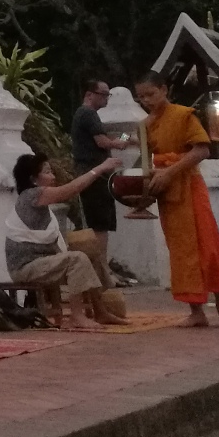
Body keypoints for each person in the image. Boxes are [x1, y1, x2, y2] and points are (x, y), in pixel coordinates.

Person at [132, 73, 219, 327]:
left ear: (164, 89)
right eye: (141, 97)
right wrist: (120, 139)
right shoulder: (145, 124)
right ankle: (196, 311)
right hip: (168, 193)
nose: (147, 100)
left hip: (189, 186)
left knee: (208, 247)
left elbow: (202, 150)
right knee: (182, 252)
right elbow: (137, 146)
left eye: (151, 94)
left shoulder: (183, 115)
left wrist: (169, 171)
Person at [4, 153, 128, 326]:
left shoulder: (38, 199)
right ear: (33, 179)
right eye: (47, 172)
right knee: (76, 259)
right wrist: (99, 169)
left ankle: (101, 311)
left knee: (90, 255)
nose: (53, 176)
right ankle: (77, 316)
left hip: (41, 262)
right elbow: (70, 190)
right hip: (25, 267)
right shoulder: (32, 196)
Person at [68, 79, 132, 287]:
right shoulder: (87, 113)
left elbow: (106, 136)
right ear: (89, 94)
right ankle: (102, 273)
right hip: (95, 175)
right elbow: (102, 142)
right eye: (103, 94)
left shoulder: (87, 115)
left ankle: (102, 271)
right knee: (100, 224)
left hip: (96, 176)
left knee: (100, 223)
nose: (106, 98)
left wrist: (125, 137)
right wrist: (118, 143)